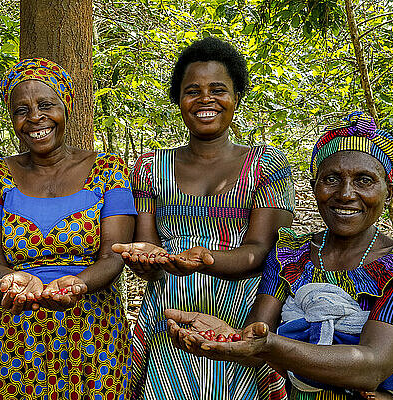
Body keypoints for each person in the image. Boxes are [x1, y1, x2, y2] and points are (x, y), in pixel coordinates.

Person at [166, 111, 393, 400]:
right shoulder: (289, 256)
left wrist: (267, 345)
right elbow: (256, 345)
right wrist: (232, 337)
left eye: (364, 181)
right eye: (331, 179)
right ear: (314, 187)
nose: (346, 194)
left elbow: (371, 368)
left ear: (390, 192)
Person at [112, 37, 295, 400]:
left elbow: (266, 251)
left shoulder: (267, 166)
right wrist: (145, 260)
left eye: (218, 89)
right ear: (178, 100)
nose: (205, 99)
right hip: (169, 316)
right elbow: (150, 249)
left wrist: (205, 260)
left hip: (244, 316)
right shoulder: (150, 168)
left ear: (237, 97)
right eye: (192, 90)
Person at [0, 58, 137, 400]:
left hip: (95, 328)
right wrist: (12, 283)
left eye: (46, 105)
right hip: (13, 330)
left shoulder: (107, 169)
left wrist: (80, 282)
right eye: (22, 109)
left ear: (67, 106)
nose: (35, 117)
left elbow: (114, 255)